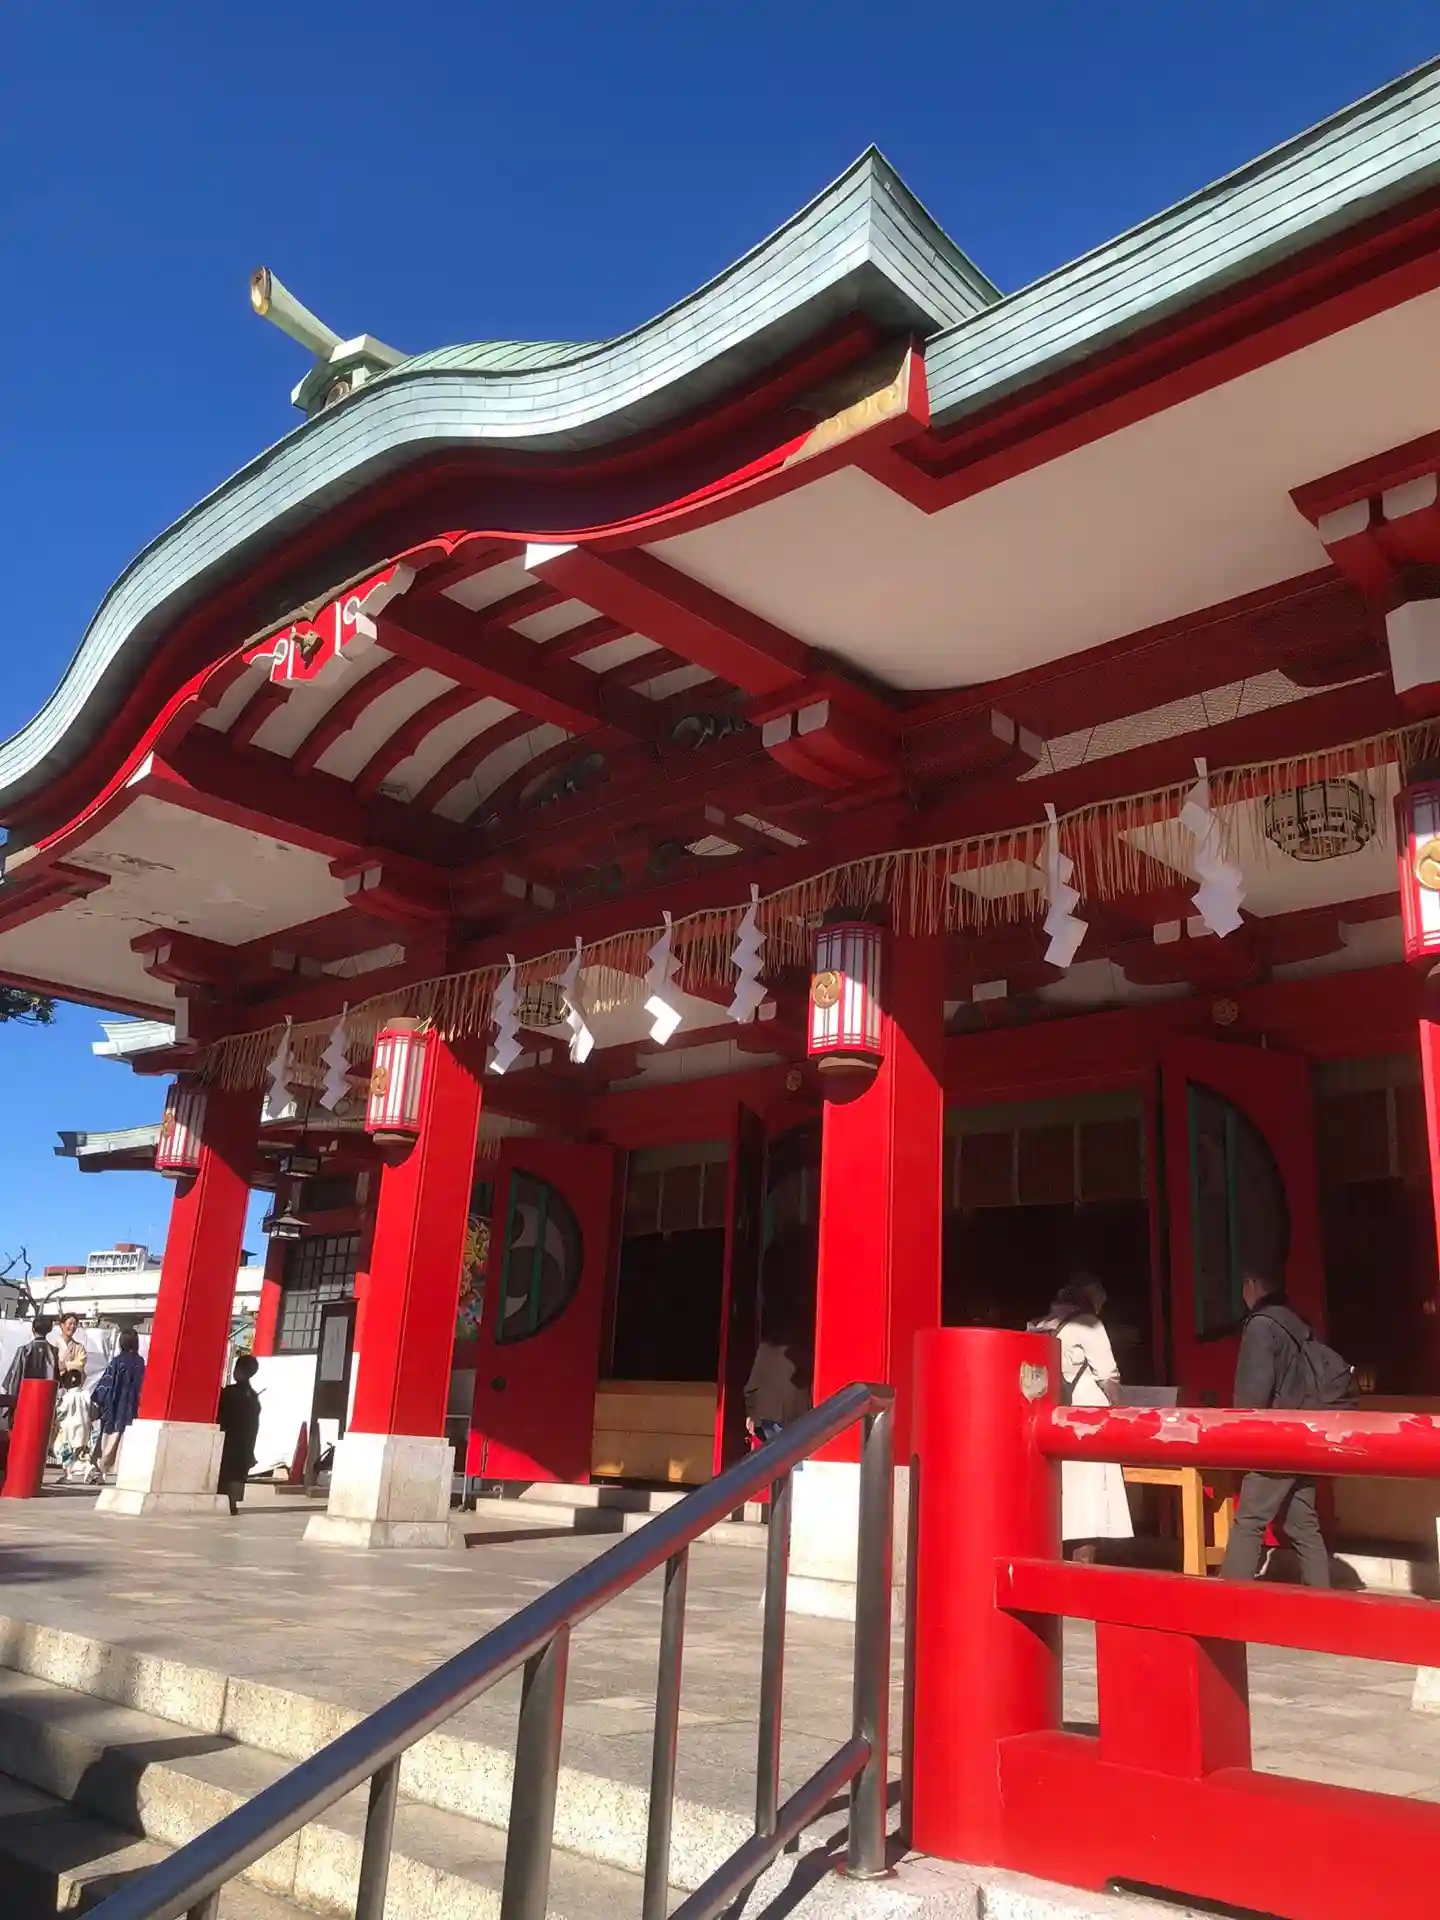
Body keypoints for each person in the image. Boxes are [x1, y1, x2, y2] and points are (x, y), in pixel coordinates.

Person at [1220, 1274, 1332, 1588]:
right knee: (1303, 1525)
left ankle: (1228, 1601)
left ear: (1252, 1284)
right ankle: (1323, 1601)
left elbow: (1252, 1394)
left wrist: (1240, 1432)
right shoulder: (1299, 1323)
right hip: (1305, 1433)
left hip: (1276, 1437)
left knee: (1249, 1521)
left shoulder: (1261, 1325)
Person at [1030, 1276, 1133, 1561]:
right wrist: (1125, 1414)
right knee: (1090, 1511)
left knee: (1063, 1507)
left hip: (1054, 1423)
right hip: (1088, 1425)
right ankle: (1082, 1574)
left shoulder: (1039, 1326)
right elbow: (1108, 1375)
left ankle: (1058, 1572)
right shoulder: (1088, 1324)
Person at [744, 1318, 812, 1445]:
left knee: (775, 1454)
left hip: (769, 1415)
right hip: (797, 1416)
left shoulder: (767, 1347)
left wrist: (751, 1414)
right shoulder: (806, 1347)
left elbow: (752, 1386)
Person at [90, 1330, 145, 1480]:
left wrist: (98, 1399)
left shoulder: (117, 1362)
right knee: (126, 1434)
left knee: (110, 1434)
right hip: (132, 1405)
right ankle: (120, 1467)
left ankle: (103, 1466)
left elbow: (106, 1384)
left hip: (114, 1404)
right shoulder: (140, 1363)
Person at [216, 1353, 262, 1516]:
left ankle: (225, 1502)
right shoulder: (253, 1397)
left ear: (238, 1370)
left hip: (229, 1441)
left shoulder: (229, 1393)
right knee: (236, 1474)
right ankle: (232, 1503)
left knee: (225, 1474)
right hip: (245, 1444)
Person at [1, 1314, 59, 1419]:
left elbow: (14, 1377)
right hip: (45, 1400)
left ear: (33, 1329)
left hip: (24, 1399)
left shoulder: (24, 1350)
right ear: (49, 1330)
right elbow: (57, 1379)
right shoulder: (53, 1351)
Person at [54, 1369, 97, 1481]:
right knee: (82, 1451)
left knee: (64, 1451)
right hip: (85, 1426)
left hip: (69, 1428)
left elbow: (61, 1412)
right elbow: (92, 1410)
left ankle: (70, 1474)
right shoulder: (85, 1394)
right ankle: (87, 1468)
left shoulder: (67, 1396)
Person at [50, 1313, 87, 1380]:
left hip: (73, 1381)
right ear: (62, 1325)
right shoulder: (52, 1343)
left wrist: (63, 1365)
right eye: (70, 1324)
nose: (72, 1326)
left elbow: (80, 1364)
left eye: (75, 1324)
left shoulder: (79, 1347)